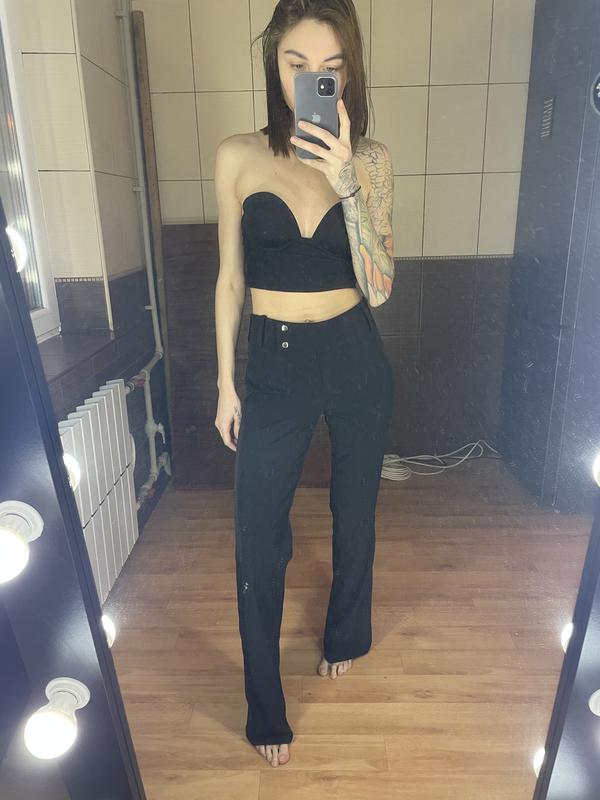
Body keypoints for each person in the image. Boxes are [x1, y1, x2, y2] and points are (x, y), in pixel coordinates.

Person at [213, 0, 395, 768]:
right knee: (257, 534)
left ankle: (346, 633)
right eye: (297, 64)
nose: (313, 80)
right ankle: (265, 706)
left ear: (348, 76)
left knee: (355, 509)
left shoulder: (371, 161)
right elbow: (230, 279)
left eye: (331, 68)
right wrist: (226, 385)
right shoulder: (237, 156)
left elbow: (380, 287)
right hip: (276, 362)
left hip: (354, 352)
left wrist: (347, 181)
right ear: (275, 66)